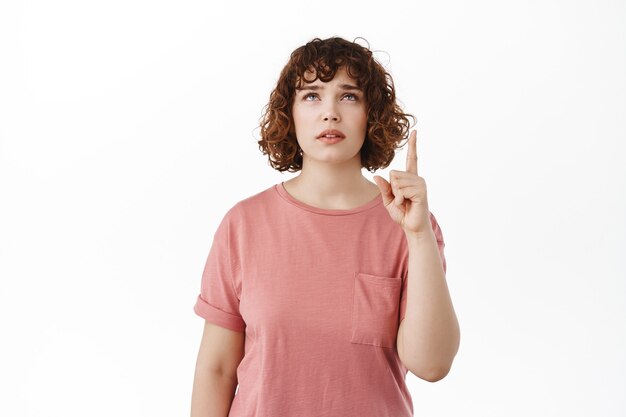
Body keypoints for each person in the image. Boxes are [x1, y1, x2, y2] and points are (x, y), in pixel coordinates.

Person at [190, 36, 460, 417]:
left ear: (372, 114)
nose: (330, 112)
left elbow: (431, 365)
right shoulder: (243, 224)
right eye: (312, 96)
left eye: (349, 96)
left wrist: (416, 236)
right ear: (291, 113)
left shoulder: (410, 224)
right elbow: (216, 369)